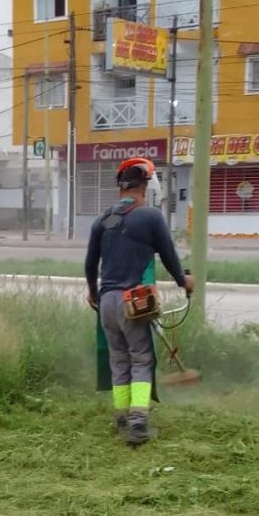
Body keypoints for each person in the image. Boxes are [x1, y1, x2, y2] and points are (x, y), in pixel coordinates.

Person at [85, 158, 194, 446]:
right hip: (133, 301)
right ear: (145, 185)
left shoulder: (102, 219)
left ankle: (121, 416)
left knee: (118, 359)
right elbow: (169, 255)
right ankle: (138, 423)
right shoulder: (150, 217)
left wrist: (92, 293)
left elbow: (89, 263)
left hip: (107, 300)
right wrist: (184, 280)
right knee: (141, 358)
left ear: (121, 186)